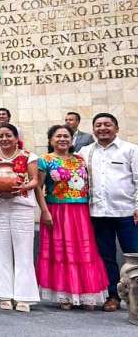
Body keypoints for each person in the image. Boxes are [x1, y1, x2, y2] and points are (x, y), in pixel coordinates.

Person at [36, 124, 109, 310]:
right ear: (51, 140)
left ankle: (86, 294)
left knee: (84, 251)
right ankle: (65, 296)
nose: (62, 139)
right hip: (57, 212)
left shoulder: (80, 159)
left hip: (82, 212)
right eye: (58, 136)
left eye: (66, 136)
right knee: (62, 253)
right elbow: (38, 187)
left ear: (72, 139)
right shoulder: (44, 160)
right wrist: (44, 211)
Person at [78, 113, 138, 312]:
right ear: (93, 129)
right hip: (98, 214)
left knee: (134, 256)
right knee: (106, 257)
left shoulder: (130, 150)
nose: (103, 128)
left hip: (128, 213)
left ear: (116, 128)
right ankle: (112, 295)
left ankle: (136, 296)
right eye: (98, 125)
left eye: (107, 125)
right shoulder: (85, 152)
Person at [0, 124, 40, 312]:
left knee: (24, 250)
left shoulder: (29, 156)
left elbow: (35, 180)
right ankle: (5, 295)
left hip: (21, 206)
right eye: (1, 136)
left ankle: (24, 297)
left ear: (16, 138)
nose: (4, 139)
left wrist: (23, 188)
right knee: (1, 249)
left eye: (8, 135)